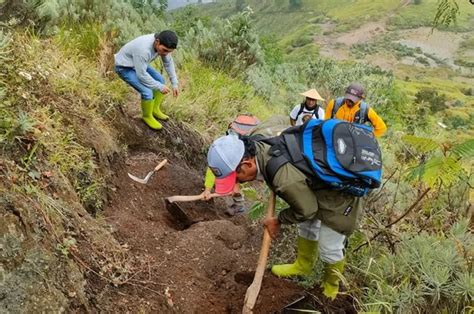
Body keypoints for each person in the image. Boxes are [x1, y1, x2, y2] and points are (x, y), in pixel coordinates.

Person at [206, 117, 364, 300]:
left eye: (236, 178)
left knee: (330, 247)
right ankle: (303, 265)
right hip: (314, 185)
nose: (236, 183)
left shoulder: (283, 180)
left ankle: (332, 287)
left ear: (247, 164)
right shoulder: (257, 139)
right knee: (306, 226)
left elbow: (307, 210)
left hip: (341, 197)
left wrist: (279, 220)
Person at [114, 30, 179, 130]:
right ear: (157, 42)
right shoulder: (144, 50)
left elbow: (168, 63)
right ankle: (147, 116)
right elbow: (142, 76)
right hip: (124, 67)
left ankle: (155, 109)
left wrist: (174, 83)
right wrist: (159, 87)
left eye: (169, 52)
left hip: (138, 64)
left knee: (160, 79)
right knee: (147, 92)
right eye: (165, 50)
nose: (166, 54)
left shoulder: (163, 46)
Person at [201, 114, 260, 216]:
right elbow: (213, 166)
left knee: (236, 186)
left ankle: (239, 204)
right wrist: (207, 189)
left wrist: (235, 185)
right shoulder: (227, 145)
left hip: (250, 162)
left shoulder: (256, 144)